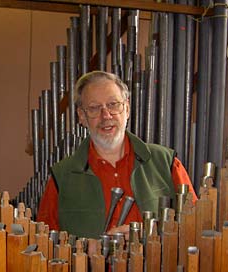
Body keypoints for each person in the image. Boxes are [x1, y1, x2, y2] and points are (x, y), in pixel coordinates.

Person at [37, 71, 197, 238]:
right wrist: (82, 251)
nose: (106, 115)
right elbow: (45, 244)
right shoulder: (60, 178)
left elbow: (195, 227)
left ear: (126, 109)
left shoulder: (167, 163)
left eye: (113, 104)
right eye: (94, 108)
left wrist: (150, 235)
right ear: (82, 116)